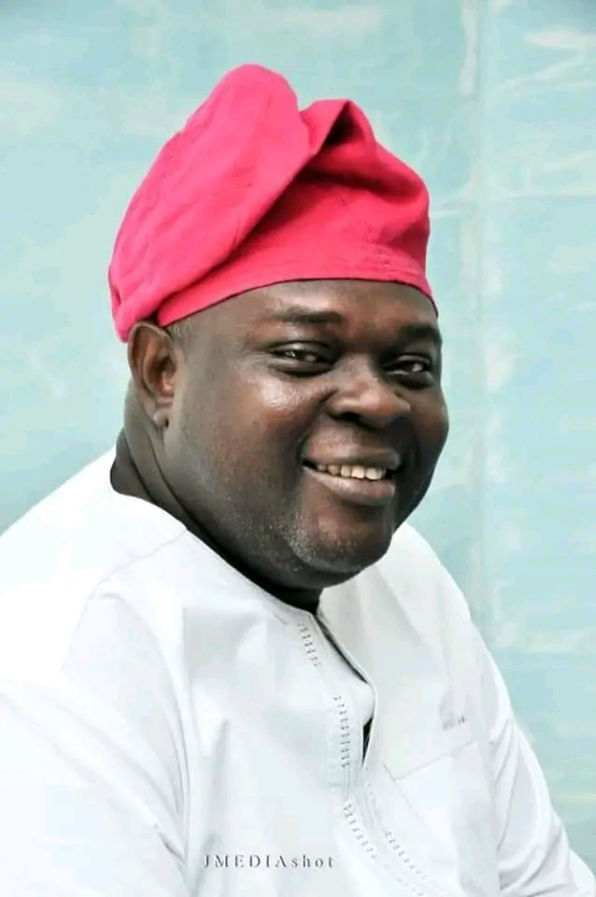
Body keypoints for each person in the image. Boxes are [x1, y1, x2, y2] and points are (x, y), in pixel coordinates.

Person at [0, 64, 592, 897]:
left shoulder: (408, 579)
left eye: (411, 365)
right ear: (162, 372)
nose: (377, 400)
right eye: (305, 354)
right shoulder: (51, 661)